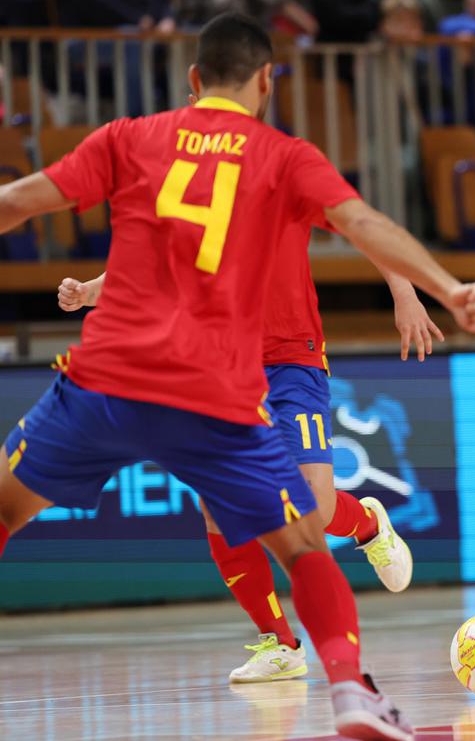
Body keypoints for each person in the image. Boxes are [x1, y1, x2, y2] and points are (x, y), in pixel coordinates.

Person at [0, 13, 475, 741]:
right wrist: (451, 289)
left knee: (7, 509)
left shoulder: (129, 138)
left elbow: (15, 203)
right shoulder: (282, 157)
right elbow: (363, 222)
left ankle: (357, 547)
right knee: (299, 544)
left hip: (114, 379)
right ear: (268, 81)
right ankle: (347, 688)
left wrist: (406, 291)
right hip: (214, 391)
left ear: (194, 79)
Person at [56, 243, 442, 683]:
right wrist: (91, 293)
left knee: (312, 509)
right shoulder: (189, 189)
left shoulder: (286, 176)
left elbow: (362, 227)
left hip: (292, 358)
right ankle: (280, 643)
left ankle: (367, 525)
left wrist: (404, 293)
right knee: (218, 505)